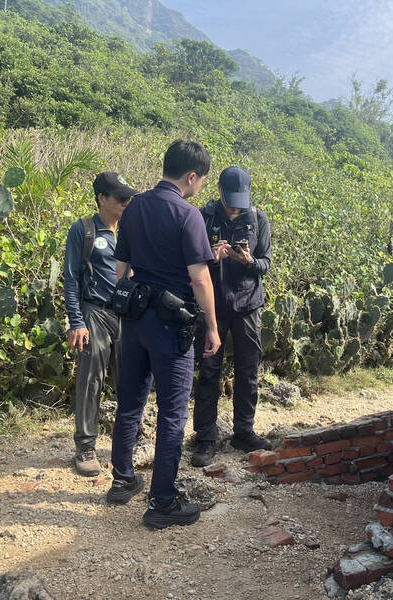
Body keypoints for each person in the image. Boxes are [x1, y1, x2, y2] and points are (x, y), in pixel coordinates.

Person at [107, 140, 220, 529]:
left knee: (130, 401)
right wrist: (212, 328)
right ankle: (163, 501)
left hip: (135, 319)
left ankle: (123, 480)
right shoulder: (188, 215)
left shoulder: (134, 207)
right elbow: (200, 278)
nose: (200, 187)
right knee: (173, 412)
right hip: (172, 324)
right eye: (202, 180)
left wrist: (140, 294)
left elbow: (121, 268)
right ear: (191, 176)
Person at [64, 172, 150, 477]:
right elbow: (72, 279)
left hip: (128, 315)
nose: (127, 204)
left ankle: (132, 438)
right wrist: (77, 322)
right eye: (121, 198)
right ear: (102, 198)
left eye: (130, 198)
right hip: (95, 313)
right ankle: (85, 447)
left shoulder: (133, 231)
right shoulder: (84, 231)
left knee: (132, 378)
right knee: (91, 381)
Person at [191, 166, 272, 467]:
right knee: (209, 370)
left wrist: (250, 261)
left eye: (241, 200)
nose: (235, 206)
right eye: (230, 200)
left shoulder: (259, 219)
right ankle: (205, 438)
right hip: (213, 305)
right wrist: (211, 256)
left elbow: (266, 264)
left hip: (248, 304)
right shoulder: (204, 217)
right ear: (220, 193)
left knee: (248, 370)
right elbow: (190, 261)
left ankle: (244, 432)